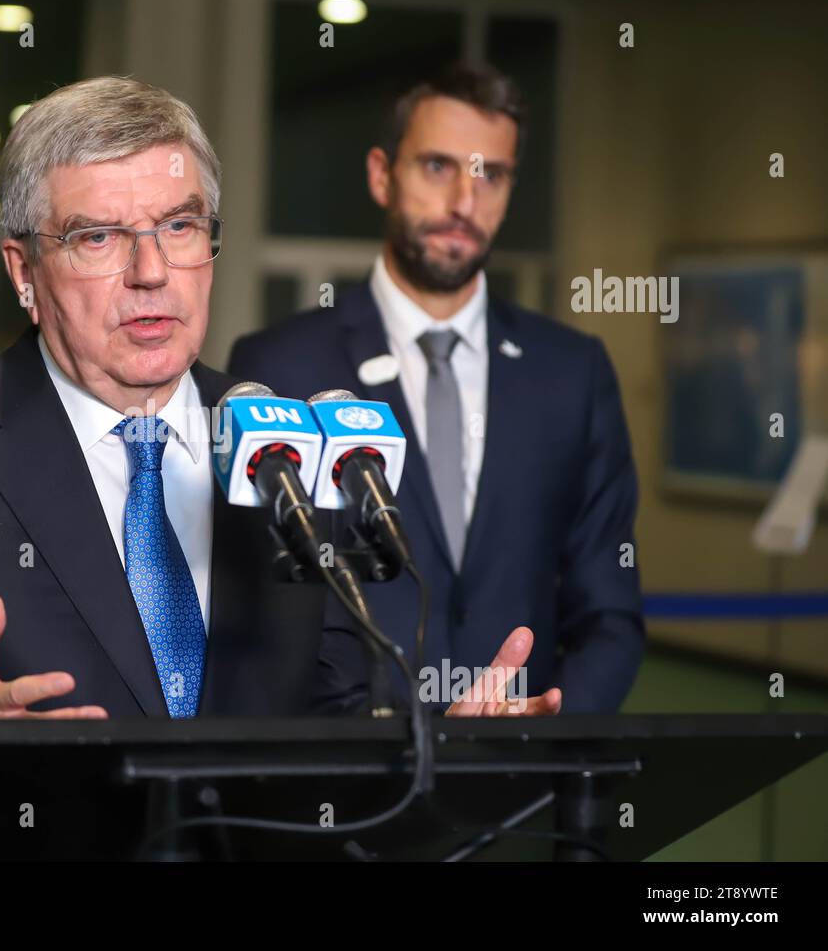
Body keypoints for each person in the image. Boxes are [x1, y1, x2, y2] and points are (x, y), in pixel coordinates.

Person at [0, 75, 561, 835]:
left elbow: (329, 729)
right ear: (24, 272)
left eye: (179, 228)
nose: (151, 274)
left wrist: (440, 751)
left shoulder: (283, 441)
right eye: (99, 236)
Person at [229, 63, 644, 714]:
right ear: (380, 175)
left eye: (492, 175)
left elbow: (610, 612)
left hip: (521, 785)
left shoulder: (573, 373)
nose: (464, 202)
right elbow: (262, 618)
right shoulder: (279, 367)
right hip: (345, 786)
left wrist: (548, 728)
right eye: (437, 166)